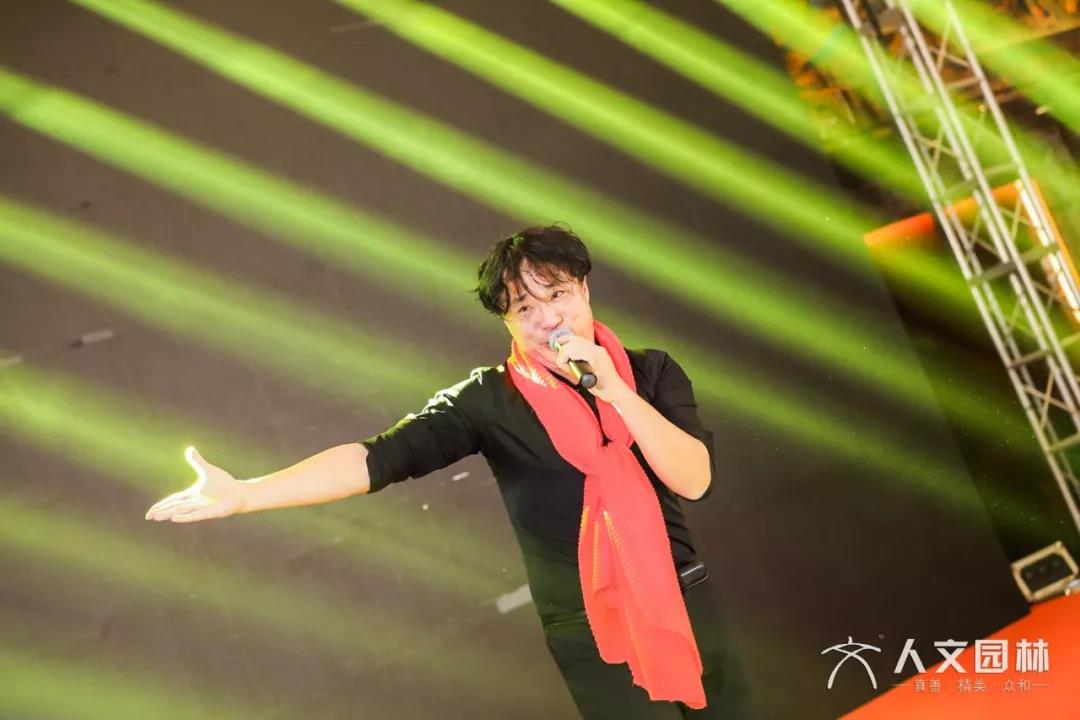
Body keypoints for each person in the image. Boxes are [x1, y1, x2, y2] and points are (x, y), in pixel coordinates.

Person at [145, 225, 755, 719]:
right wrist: (249, 494)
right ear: (506, 321)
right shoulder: (487, 401)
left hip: (684, 594)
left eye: (557, 295)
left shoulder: (649, 372)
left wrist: (614, 390)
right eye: (525, 307)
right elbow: (375, 458)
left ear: (585, 288)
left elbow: (694, 480)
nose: (548, 318)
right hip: (589, 628)